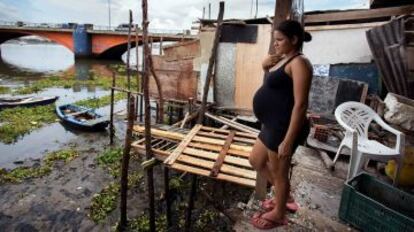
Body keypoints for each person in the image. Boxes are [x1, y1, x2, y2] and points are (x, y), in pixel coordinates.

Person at [249, 19, 313, 230]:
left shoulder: (300, 63)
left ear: (294, 39)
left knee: (279, 172)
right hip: (271, 124)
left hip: (283, 128)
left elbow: (301, 104)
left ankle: (278, 213)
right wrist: (265, 66)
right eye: (274, 40)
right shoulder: (286, 59)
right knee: (256, 160)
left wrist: (289, 140)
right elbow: (275, 85)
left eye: (279, 40)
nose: (275, 44)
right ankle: (284, 195)